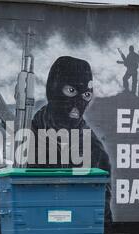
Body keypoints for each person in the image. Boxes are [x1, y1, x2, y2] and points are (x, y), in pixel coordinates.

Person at [29, 56, 112, 219]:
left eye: (86, 94)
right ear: (53, 88)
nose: (78, 102)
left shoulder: (94, 150)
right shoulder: (29, 134)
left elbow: (102, 216)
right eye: (71, 91)